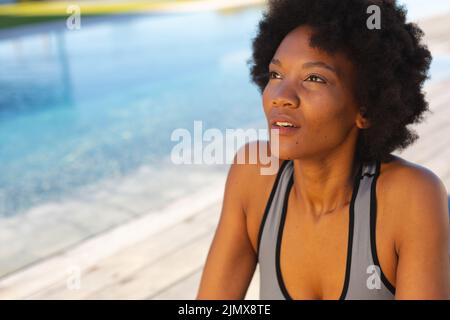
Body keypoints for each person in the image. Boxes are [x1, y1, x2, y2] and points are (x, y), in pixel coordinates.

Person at [196, 0, 449, 300]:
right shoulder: (254, 175)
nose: (281, 97)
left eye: (314, 78)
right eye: (276, 75)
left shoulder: (412, 198)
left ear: (365, 109)